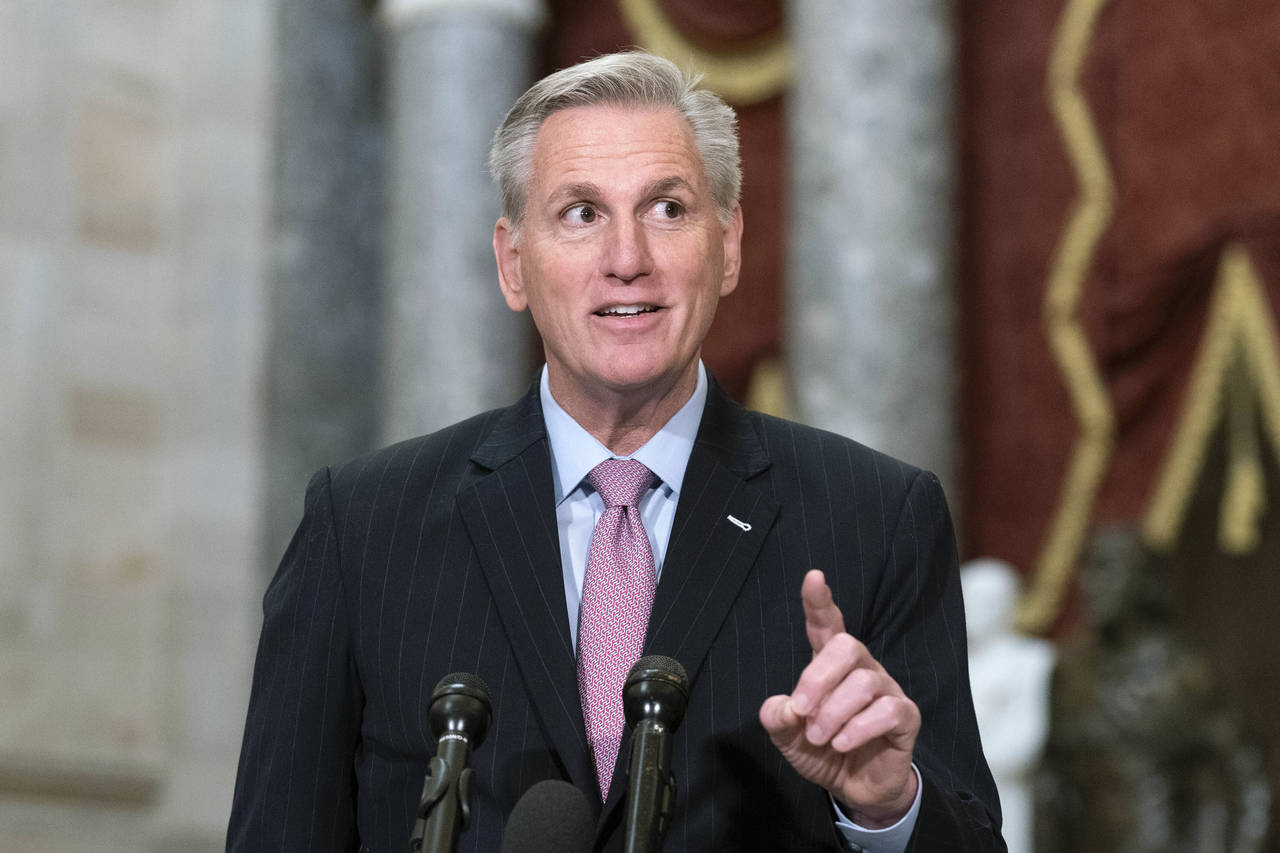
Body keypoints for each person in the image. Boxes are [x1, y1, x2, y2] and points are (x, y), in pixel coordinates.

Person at [227, 51, 1003, 852]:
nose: (626, 257)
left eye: (667, 208)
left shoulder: (876, 519)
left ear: (729, 245)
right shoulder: (361, 530)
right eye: (580, 213)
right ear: (513, 262)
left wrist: (887, 808)